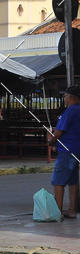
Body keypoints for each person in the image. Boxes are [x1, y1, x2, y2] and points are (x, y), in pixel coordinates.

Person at [49, 85, 80, 217]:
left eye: (65, 95)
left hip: (67, 151)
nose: (64, 98)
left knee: (58, 181)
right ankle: (72, 210)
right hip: (77, 150)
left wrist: (51, 140)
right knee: (73, 181)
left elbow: (59, 131)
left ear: (72, 97)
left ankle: (58, 211)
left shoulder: (69, 111)